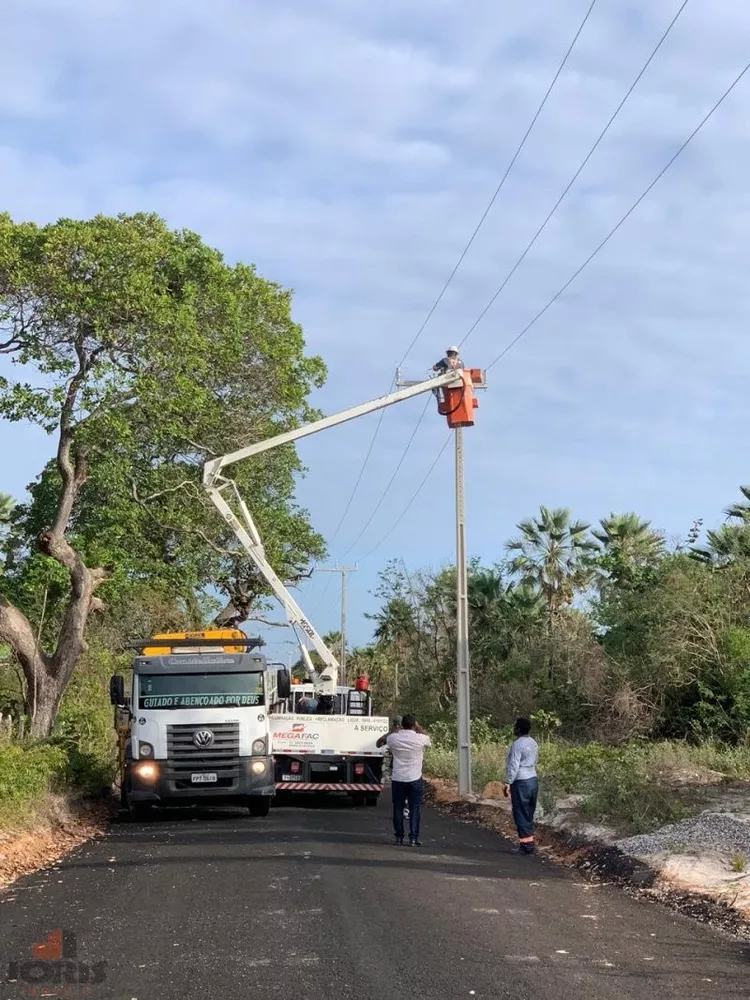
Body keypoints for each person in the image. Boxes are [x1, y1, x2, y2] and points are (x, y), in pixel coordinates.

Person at [377, 714, 430, 847]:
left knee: (398, 808)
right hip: (414, 778)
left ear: (402, 725)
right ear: (414, 725)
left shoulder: (394, 738)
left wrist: (394, 730)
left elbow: (379, 743)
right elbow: (427, 738)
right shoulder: (420, 738)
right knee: (415, 808)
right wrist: (418, 727)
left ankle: (399, 838)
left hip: (398, 778)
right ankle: (413, 839)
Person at [502, 717, 539, 854]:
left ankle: (526, 846)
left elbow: (514, 765)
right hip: (533, 779)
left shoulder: (517, 744)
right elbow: (536, 761)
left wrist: (508, 783)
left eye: (515, 726)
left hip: (521, 781)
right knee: (529, 811)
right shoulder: (533, 743)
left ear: (518, 729)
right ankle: (529, 843)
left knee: (520, 812)